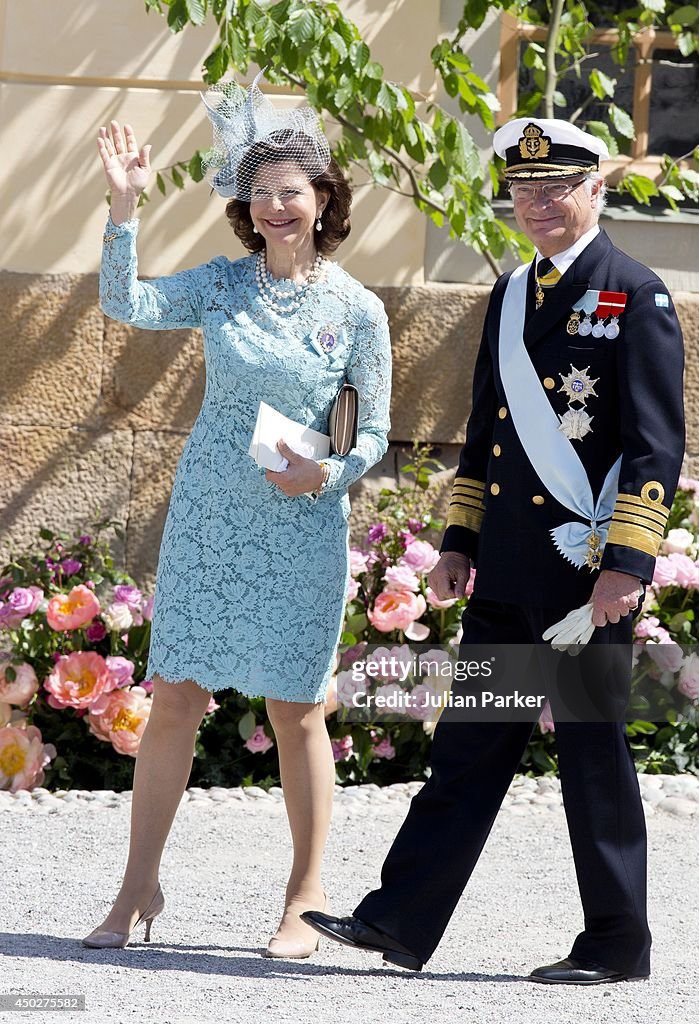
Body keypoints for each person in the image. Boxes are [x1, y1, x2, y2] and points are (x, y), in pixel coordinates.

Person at [303, 118, 685, 983]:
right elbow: (487, 433)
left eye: (556, 188)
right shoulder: (512, 295)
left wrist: (628, 564)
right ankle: (398, 922)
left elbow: (657, 443)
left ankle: (616, 946)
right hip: (509, 569)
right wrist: (458, 539)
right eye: (523, 191)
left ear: (596, 188)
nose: (539, 205)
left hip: (584, 575)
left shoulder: (636, 293)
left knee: (594, 760)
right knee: (468, 750)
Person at [82, 78, 391, 958]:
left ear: (322, 199)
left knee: (297, 708)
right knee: (176, 697)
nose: (272, 207)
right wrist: (123, 207)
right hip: (210, 521)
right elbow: (125, 305)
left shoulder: (357, 309)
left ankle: (304, 899)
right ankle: (137, 887)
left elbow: (370, 428)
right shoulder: (221, 286)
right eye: (258, 194)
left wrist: (327, 472)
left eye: (289, 192)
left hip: (301, 527)